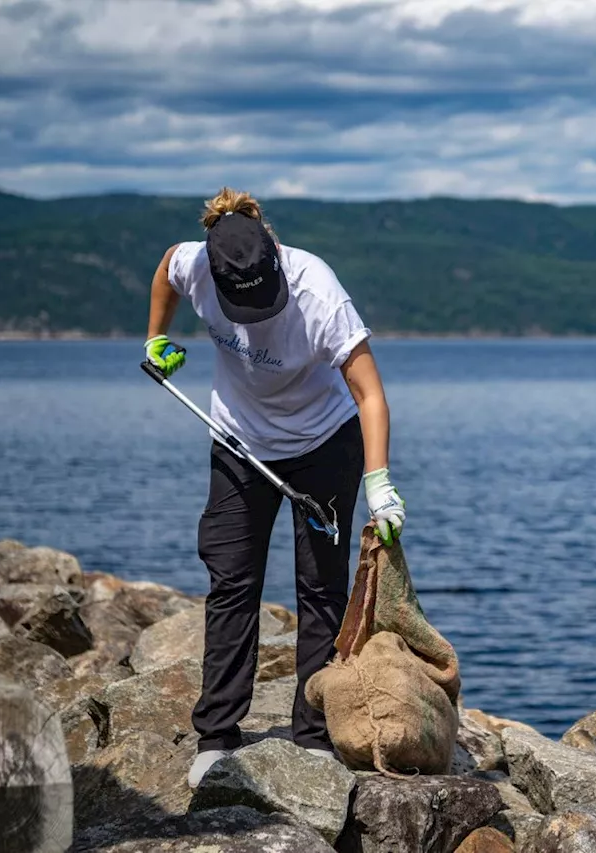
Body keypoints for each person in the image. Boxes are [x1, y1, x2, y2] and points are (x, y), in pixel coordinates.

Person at [144, 187, 407, 788]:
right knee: (232, 581)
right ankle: (216, 735)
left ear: (276, 258)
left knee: (320, 589)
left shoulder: (318, 292)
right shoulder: (196, 263)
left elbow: (370, 394)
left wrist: (380, 483)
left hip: (323, 444)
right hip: (238, 443)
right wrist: (155, 336)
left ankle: (312, 736)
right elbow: (165, 266)